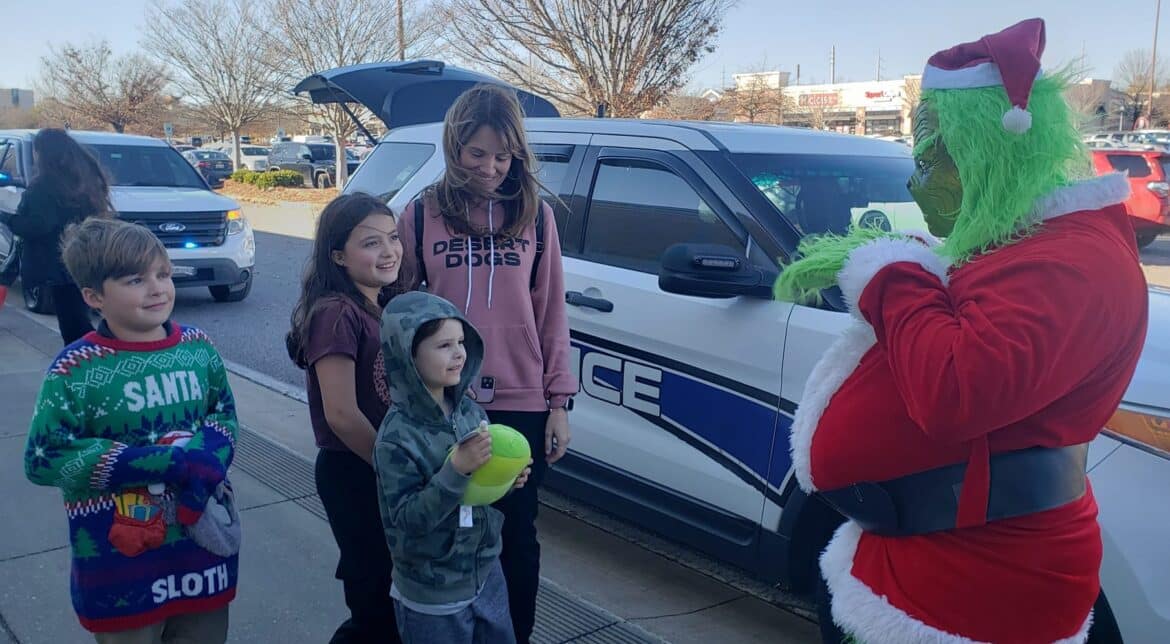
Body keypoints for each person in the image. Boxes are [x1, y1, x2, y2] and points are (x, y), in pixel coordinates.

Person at [773, 18, 1148, 643]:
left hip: (971, 589)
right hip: (927, 564)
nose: (913, 182)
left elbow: (955, 390)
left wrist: (892, 275)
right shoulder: (1022, 245)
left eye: (927, 160)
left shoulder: (1071, 264)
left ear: (981, 151)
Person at [397, 84, 576, 643]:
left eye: (504, 156)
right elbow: (399, 313)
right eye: (477, 153)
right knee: (445, 525)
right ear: (454, 146)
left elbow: (550, 312)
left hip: (521, 402)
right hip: (443, 402)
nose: (491, 168)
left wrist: (559, 402)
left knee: (516, 534)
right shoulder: (421, 214)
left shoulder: (537, 216)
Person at [23, 218, 239, 643]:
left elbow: (224, 413)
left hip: (202, 554)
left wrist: (205, 457)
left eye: (163, 273)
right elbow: (44, 457)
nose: (157, 288)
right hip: (120, 569)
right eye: (136, 280)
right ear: (94, 297)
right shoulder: (75, 369)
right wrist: (161, 462)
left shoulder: (197, 348)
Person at [375, 290, 532, 643]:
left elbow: (475, 493)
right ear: (408, 355)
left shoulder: (470, 412)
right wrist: (455, 470)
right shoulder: (396, 438)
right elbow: (407, 521)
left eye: (461, 342)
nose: (459, 353)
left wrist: (506, 482)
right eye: (444, 345)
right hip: (432, 595)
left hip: (486, 572)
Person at [287, 192, 405, 644]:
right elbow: (340, 413)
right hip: (355, 471)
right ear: (338, 255)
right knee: (374, 607)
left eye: (393, 237)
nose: (389, 251)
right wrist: (396, 469)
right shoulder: (336, 313)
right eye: (371, 243)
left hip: (379, 468)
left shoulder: (378, 306)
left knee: (388, 599)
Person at [7, 128, 112, 344]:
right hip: (83, 253)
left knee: (72, 323)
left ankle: (87, 357)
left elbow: (38, 225)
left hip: (56, 261)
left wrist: (9, 220)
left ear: (42, 153)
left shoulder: (44, 185)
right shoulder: (84, 180)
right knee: (77, 315)